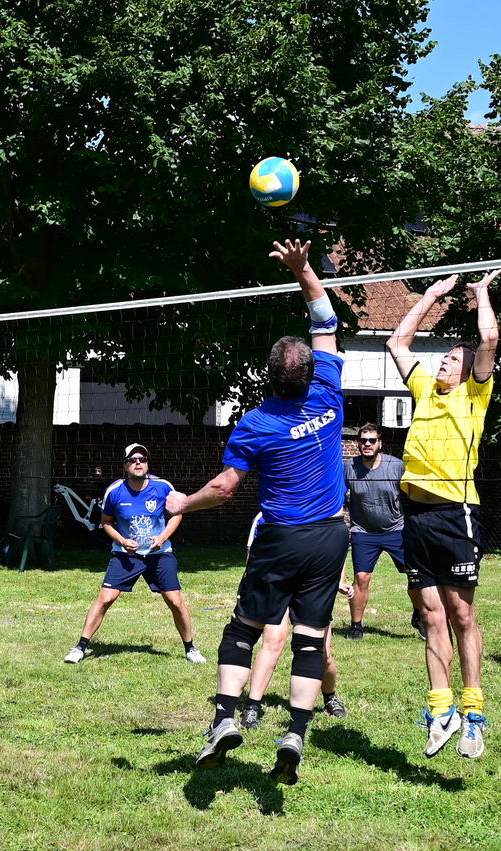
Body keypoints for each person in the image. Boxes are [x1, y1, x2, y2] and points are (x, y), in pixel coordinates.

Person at [168, 238, 347, 786]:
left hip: (281, 538)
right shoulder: (329, 392)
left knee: (243, 629)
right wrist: (303, 269)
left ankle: (224, 719)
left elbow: (224, 489)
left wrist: (183, 502)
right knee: (311, 638)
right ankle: (295, 732)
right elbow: (326, 320)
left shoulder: (256, 423)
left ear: (269, 376)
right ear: (310, 371)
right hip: (331, 537)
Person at [385, 268, 501, 759]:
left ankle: (473, 714)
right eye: (446, 356)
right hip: (416, 515)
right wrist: (431, 294)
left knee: (461, 614)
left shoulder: (475, 395)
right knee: (430, 615)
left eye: (453, 358)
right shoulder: (422, 388)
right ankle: (441, 711)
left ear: (470, 372)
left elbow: (489, 339)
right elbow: (397, 342)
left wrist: (480, 294)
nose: (444, 362)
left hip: (457, 513)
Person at [62, 444, 206, 665]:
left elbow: (177, 513)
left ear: (147, 463)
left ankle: (191, 648)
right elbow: (106, 522)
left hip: (159, 555)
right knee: (105, 598)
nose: (138, 462)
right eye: (133, 459)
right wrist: (122, 541)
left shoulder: (163, 487)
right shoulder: (115, 491)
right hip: (126, 555)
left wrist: (163, 537)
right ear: (125, 464)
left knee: (175, 601)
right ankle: (80, 647)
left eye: (142, 459)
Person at [237, 512, 347, 728]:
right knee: (273, 642)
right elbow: (254, 556)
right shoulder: (265, 516)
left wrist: (339, 581)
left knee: (322, 653)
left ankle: (330, 696)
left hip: (312, 590)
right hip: (277, 586)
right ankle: (252, 706)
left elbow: (335, 550)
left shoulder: (324, 510)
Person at [343, 423, 413, 640]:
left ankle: (420, 614)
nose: (367, 444)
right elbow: (336, 496)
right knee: (361, 577)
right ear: (357, 444)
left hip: (396, 529)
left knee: (415, 573)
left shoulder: (396, 466)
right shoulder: (349, 467)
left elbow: (412, 495)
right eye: (363, 440)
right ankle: (356, 626)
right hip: (363, 532)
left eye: (372, 440)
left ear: (379, 443)